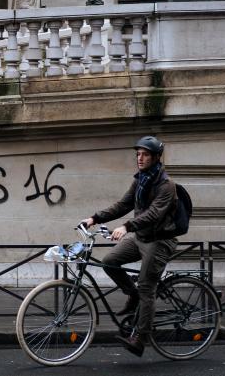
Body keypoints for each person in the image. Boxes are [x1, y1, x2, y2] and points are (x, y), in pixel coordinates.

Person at [80, 135, 178, 357]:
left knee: (146, 286)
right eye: (138, 154)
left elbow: (153, 214)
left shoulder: (166, 185)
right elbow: (123, 204)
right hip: (142, 236)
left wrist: (126, 227)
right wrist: (95, 218)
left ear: (155, 158)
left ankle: (141, 339)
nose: (140, 158)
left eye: (144, 155)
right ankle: (131, 295)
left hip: (160, 240)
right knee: (110, 261)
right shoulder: (141, 179)